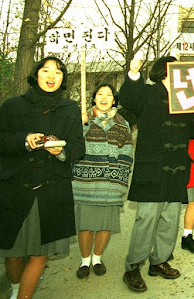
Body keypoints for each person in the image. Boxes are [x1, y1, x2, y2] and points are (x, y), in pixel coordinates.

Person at [120, 56, 194, 293]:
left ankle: (159, 261)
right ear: (162, 71)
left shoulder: (187, 98)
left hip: (178, 166)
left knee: (170, 218)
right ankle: (133, 266)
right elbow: (128, 100)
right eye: (175, 68)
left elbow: (193, 132)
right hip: (152, 166)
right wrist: (132, 73)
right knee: (147, 218)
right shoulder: (148, 93)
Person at [0, 56, 85, 299]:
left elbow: (79, 147)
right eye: (46, 70)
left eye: (58, 72)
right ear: (36, 75)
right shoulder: (12, 106)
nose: (51, 76)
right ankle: (16, 288)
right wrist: (24, 140)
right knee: (13, 253)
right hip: (16, 187)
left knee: (40, 252)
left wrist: (62, 152)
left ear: (63, 79)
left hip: (51, 188)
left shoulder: (70, 108)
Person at [72, 83, 134, 279]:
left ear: (114, 100)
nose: (104, 98)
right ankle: (84, 261)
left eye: (109, 94)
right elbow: (71, 146)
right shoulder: (83, 119)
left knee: (106, 224)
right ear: (94, 98)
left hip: (110, 183)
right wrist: (80, 126)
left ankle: (97, 258)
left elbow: (127, 152)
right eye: (100, 94)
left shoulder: (122, 123)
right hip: (85, 182)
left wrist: (120, 180)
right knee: (86, 224)